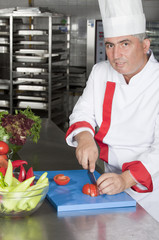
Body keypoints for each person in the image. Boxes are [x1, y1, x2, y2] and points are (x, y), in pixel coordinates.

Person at [65, 0, 159, 222]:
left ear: (145, 45)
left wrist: (126, 180)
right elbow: (83, 112)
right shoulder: (100, 72)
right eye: (109, 45)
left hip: (152, 189)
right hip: (108, 180)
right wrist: (85, 138)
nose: (116, 55)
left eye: (125, 44)